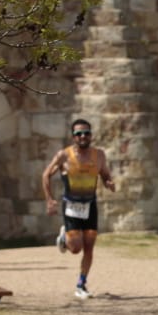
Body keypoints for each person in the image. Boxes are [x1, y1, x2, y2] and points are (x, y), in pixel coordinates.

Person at [42, 118, 115, 300]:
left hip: (90, 205)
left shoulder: (99, 155)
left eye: (86, 133)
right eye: (78, 134)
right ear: (73, 137)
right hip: (71, 206)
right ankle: (64, 237)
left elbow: (105, 174)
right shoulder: (64, 156)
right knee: (76, 248)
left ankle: (81, 284)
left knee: (89, 248)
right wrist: (49, 199)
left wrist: (109, 182)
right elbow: (46, 175)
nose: (83, 136)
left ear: (91, 135)